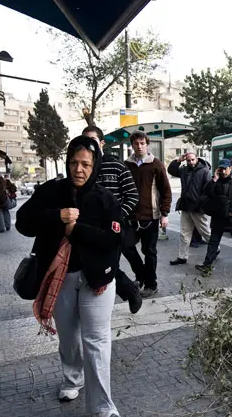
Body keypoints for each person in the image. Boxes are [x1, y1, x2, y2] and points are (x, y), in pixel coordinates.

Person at [15, 135, 123, 417]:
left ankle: (102, 407)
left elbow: (114, 240)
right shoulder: (51, 192)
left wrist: (78, 231)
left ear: (95, 165)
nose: (79, 169)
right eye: (74, 162)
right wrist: (56, 216)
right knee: (69, 337)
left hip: (96, 281)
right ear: (67, 163)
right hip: (60, 279)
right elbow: (22, 222)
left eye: (86, 164)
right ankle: (72, 379)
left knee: (97, 340)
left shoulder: (105, 199)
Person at [82, 126, 143, 314]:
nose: (89, 146)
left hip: (115, 228)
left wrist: (117, 216)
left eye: (93, 140)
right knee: (101, 263)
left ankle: (130, 290)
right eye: (85, 141)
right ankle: (128, 290)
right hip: (90, 229)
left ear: (102, 143)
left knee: (108, 264)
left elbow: (132, 195)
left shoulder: (116, 166)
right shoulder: (83, 167)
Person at [123, 131, 172, 298]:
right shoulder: (126, 164)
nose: (139, 146)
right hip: (130, 216)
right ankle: (142, 275)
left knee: (149, 251)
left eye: (142, 143)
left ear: (147, 144)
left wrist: (164, 214)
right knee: (126, 246)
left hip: (151, 216)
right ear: (132, 145)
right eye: (136, 143)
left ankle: (151, 284)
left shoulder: (156, 164)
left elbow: (166, 190)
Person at [195, 159, 232, 274]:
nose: (223, 171)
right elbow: (206, 192)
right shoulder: (216, 180)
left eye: (225, 168)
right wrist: (214, 179)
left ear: (230, 168)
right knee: (213, 242)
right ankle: (207, 264)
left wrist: (231, 211)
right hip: (218, 217)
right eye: (221, 169)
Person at [167, 151, 212, 265]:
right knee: (184, 233)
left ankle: (215, 248)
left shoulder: (204, 171)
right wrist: (178, 160)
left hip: (197, 208)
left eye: (193, 160)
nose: (191, 162)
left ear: (197, 159)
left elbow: (208, 190)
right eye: (188, 160)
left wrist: (201, 202)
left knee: (205, 232)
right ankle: (182, 257)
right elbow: (171, 170)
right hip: (186, 206)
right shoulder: (183, 170)